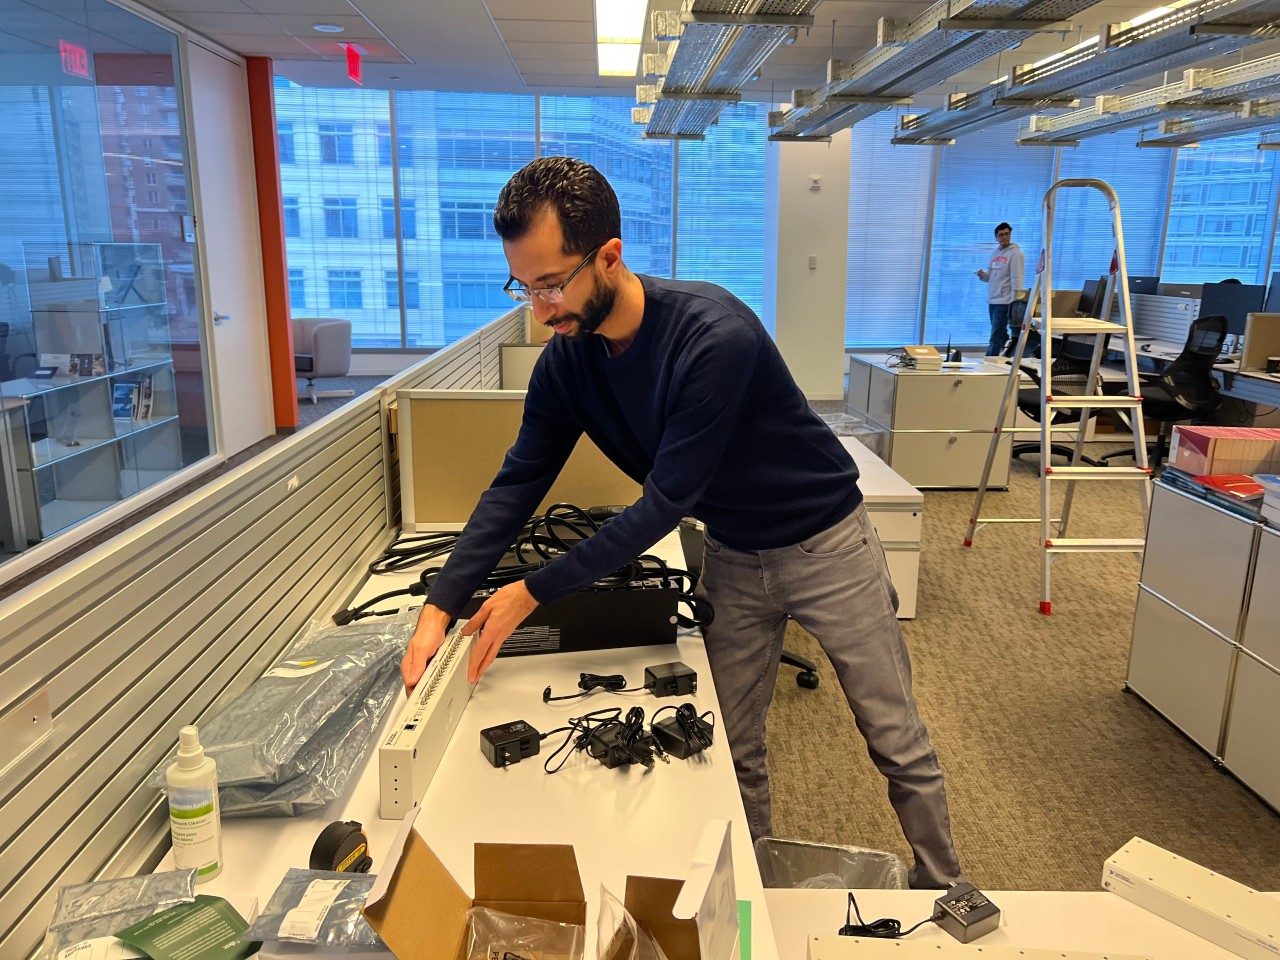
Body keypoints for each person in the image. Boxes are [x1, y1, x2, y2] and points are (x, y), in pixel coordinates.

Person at [400, 156, 962, 889]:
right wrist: (439, 607)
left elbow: (664, 503)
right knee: (729, 743)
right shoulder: (568, 363)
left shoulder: (711, 336)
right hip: (734, 551)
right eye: (524, 285)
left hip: (827, 542)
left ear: (609, 256)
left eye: (552, 283)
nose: (540, 308)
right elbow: (517, 484)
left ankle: (947, 886)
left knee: (893, 735)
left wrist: (531, 592)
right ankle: (750, 885)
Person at [976, 222, 1024, 356]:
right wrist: (983, 276)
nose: (1004, 237)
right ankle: (1010, 347)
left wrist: (1015, 302)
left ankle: (989, 360)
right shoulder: (995, 253)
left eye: (1007, 234)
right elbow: (992, 276)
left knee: (995, 335)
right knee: (999, 332)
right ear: (996, 237)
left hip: (1005, 301)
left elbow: (1017, 279)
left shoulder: (1015, 254)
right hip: (993, 299)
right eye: (1001, 235)